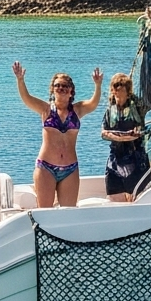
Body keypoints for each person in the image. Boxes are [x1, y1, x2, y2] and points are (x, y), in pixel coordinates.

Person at [13, 62, 103, 206]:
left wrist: (98, 85)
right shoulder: (46, 109)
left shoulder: (77, 110)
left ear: (71, 91)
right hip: (46, 168)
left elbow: (93, 103)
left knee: (68, 212)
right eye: (57, 86)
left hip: (70, 169)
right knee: (44, 212)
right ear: (52, 90)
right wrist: (20, 80)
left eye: (64, 86)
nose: (60, 88)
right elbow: (27, 98)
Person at [100, 71, 150, 202]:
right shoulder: (110, 111)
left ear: (128, 93)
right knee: (114, 195)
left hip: (136, 156)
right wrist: (113, 136)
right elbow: (103, 132)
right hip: (116, 157)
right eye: (116, 90)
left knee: (137, 196)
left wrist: (136, 132)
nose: (118, 94)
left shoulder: (137, 108)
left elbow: (143, 129)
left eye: (121, 90)